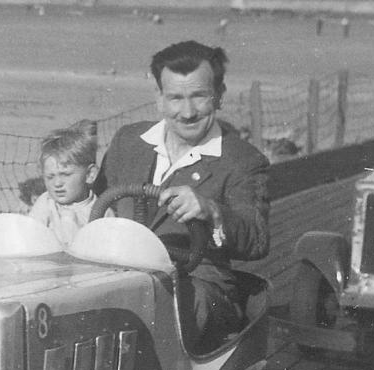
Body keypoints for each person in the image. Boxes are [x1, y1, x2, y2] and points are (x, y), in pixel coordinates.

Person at [96, 40, 270, 351]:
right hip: (120, 276)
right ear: (159, 98)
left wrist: (212, 210)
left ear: (219, 94)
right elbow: (98, 205)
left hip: (200, 286)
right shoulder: (128, 142)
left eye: (199, 96)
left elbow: (256, 239)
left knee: (170, 309)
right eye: (175, 98)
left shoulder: (243, 160)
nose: (187, 112)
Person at [28, 119, 108, 246]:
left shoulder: (101, 208)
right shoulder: (46, 204)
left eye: (65, 175)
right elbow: (29, 236)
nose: (57, 183)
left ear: (90, 175)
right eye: (50, 177)